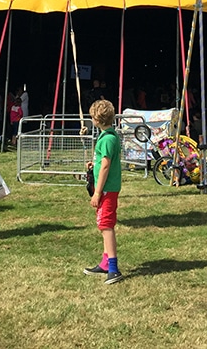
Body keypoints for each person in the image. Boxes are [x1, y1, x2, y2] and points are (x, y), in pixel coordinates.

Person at [84, 99, 123, 284]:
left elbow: (106, 166)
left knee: (105, 225)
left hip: (106, 189)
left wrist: (97, 192)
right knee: (103, 223)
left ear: (97, 119)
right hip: (107, 187)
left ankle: (114, 268)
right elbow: (103, 162)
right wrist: (94, 165)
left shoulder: (107, 139)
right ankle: (105, 262)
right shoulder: (108, 136)